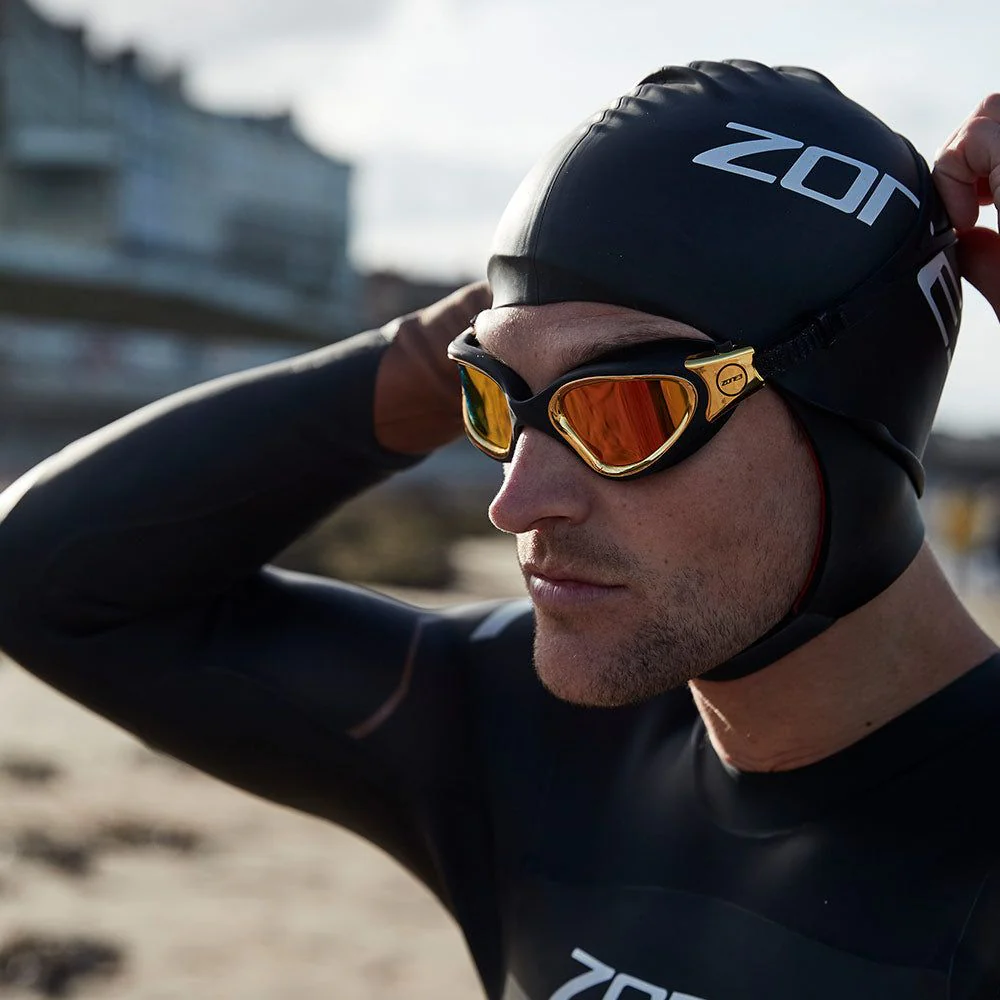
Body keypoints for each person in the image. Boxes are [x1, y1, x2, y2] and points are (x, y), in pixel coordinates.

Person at [0, 60, 999, 1000]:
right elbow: (44, 580)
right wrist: (507, 316)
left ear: (859, 410)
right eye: (493, 400)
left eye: (626, 409)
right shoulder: (523, 736)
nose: (516, 501)